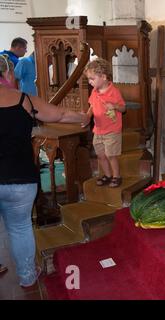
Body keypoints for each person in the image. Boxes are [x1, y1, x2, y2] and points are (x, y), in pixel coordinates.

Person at [0, 55, 88, 287]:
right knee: (20, 228)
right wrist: (85, 117)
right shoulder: (23, 99)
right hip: (20, 178)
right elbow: (59, 115)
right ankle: (28, 277)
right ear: (8, 74)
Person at [83, 58, 126, 188]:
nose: (90, 82)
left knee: (111, 155)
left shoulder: (114, 92)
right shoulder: (94, 92)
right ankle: (107, 175)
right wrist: (87, 116)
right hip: (98, 130)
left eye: (92, 78)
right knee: (101, 155)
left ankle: (116, 176)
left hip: (112, 130)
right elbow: (91, 106)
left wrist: (114, 106)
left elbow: (123, 108)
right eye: (89, 79)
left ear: (103, 77)